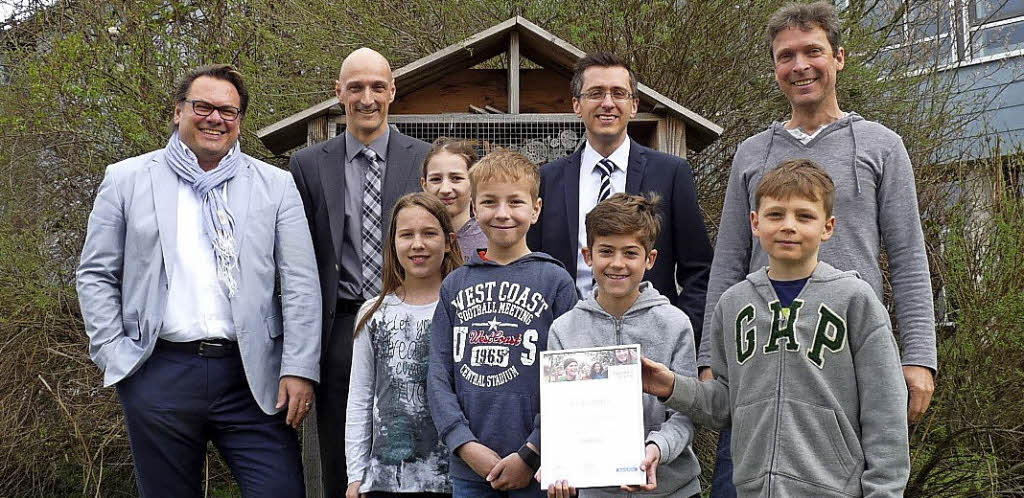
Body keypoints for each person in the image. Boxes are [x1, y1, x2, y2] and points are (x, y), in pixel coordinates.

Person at [698, 4, 936, 496]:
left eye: (813, 52)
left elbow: (910, 256)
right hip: (757, 365)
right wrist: (709, 356)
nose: (800, 65)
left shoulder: (880, 146)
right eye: (787, 56)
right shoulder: (751, 154)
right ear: (775, 68)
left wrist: (918, 357)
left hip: (841, 363)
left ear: (839, 58)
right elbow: (728, 260)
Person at [76, 64, 321, 497]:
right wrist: (114, 355)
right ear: (178, 112)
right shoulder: (127, 180)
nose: (215, 119)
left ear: (239, 120)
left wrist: (299, 367)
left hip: (252, 376)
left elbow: (300, 283)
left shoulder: (276, 186)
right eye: (202, 107)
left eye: (227, 111)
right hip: (158, 370)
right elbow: (96, 273)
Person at [645, 160, 910, 497]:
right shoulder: (733, 304)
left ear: (828, 226)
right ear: (755, 223)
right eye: (775, 215)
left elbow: (885, 409)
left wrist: (883, 492)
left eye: (804, 216)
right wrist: (671, 386)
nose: (788, 226)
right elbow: (725, 405)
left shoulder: (855, 301)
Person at [288, 47, 432, 497]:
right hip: (341, 328)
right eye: (355, 88)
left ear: (392, 91)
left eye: (376, 87)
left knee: (417, 445)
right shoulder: (308, 165)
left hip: (412, 318)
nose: (366, 98)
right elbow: (296, 261)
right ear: (339, 94)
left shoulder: (425, 159)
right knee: (340, 454)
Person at [527, 52, 713, 349]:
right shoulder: (547, 180)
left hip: (650, 345)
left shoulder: (671, 173)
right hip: (568, 344)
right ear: (577, 105)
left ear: (634, 105)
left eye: (618, 93)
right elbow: (533, 268)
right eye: (596, 93)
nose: (608, 103)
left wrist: (680, 331)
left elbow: (700, 269)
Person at [427, 149, 579, 497]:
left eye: (515, 202)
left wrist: (532, 452)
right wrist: (464, 444)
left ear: (535, 209)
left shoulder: (556, 282)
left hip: (541, 469)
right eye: (490, 202)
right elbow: (437, 374)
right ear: (474, 207)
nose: (502, 213)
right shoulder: (454, 285)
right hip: (470, 469)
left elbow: (570, 377)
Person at [546, 193, 700, 498]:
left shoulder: (675, 325)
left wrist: (657, 447)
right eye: (606, 251)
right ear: (588, 255)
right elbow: (559, 418)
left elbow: (686, 415)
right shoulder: (563, 330)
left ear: (650, 259)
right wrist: (560, 467)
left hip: (672, 491)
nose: (617, 264)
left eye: (630, 253)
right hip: (597, 492)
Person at [346, 193, 463, 498]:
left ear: (449, 242)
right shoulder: (374, 313)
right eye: (406, 235)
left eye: (429, 233)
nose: (417, 244)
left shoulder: (464, 308)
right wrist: (355, 475)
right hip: (385, 479)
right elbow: (360, 397)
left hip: (453, 478)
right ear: (393, 243)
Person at [421, 137, 487, 260]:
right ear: (424, 185)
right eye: (436, 179)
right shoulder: (416, 241)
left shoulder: (490, 241)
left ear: (473, 183)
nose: (445, 189)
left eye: (456, 178)